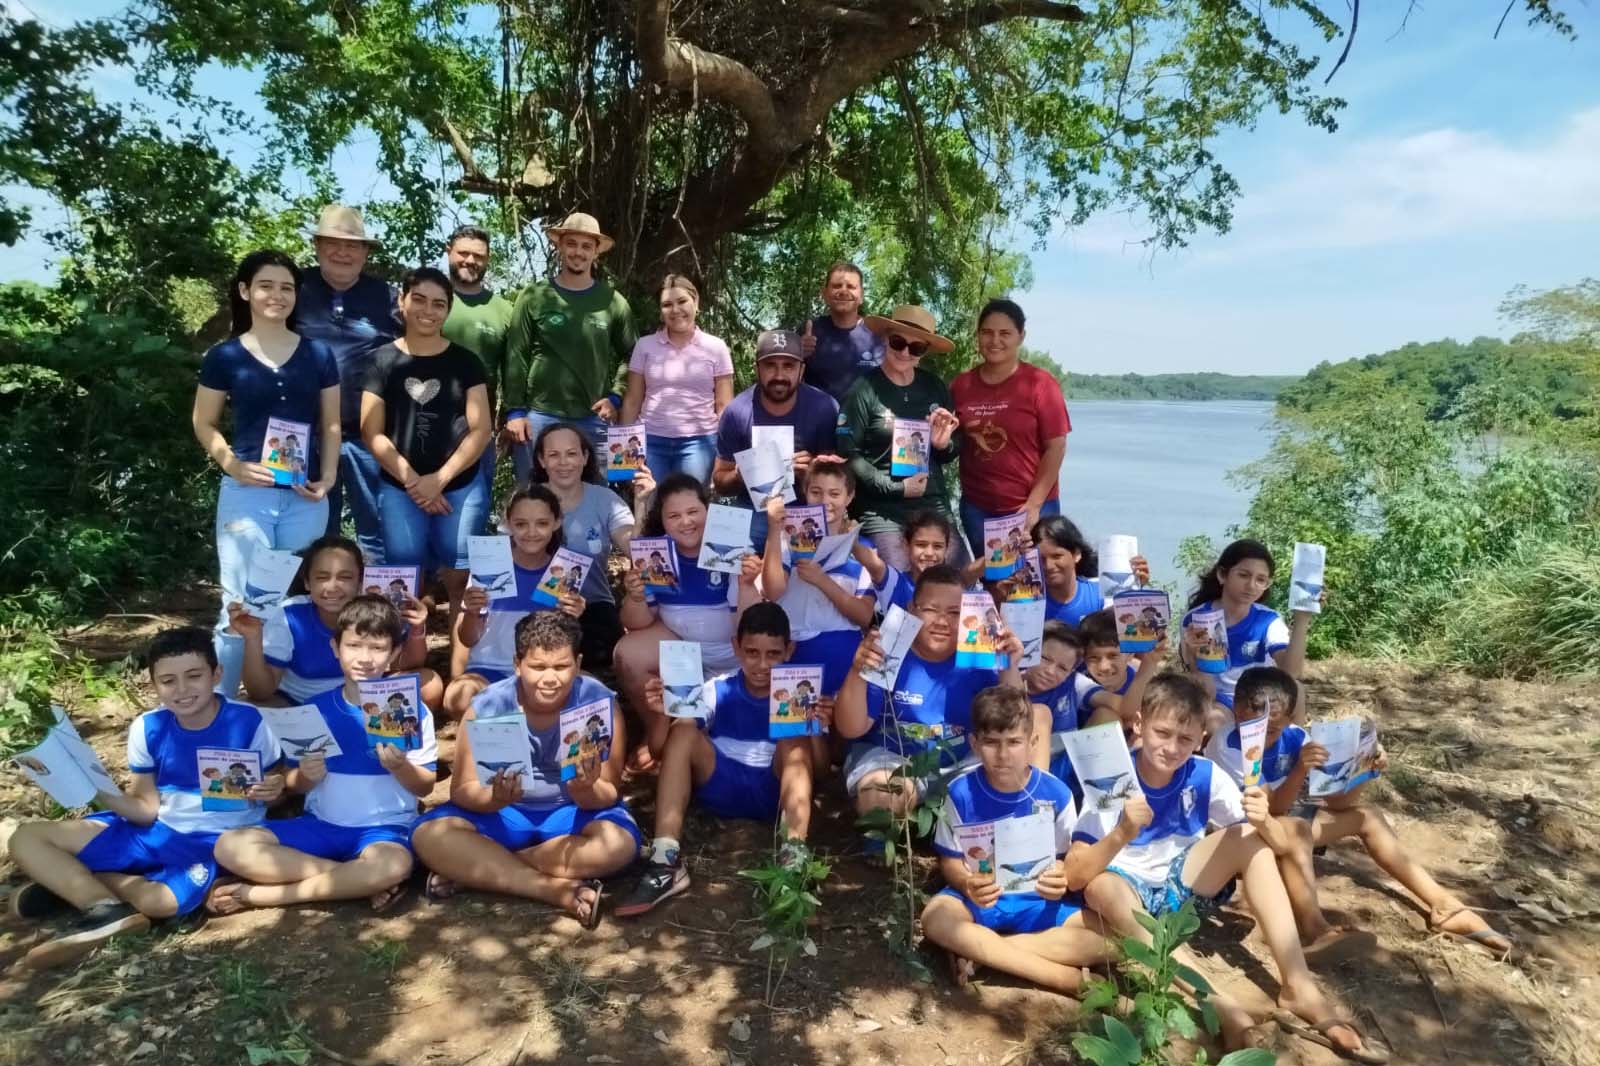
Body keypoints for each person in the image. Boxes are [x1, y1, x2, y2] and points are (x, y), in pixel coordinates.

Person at [1064, 671, 1387, 1063]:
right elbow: (1075, 876)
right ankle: (1224, 1006)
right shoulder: (1112, 777)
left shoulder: (1204, 775)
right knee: (1100, 887)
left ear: (1201, 737)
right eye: (1162, 733)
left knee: (1250, 837)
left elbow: (1276, 845)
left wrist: (1264, 821)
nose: (1171, 748)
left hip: (1180, 890)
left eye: (1185, 739)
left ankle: (1299, 986)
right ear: (1139, 725)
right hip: (1126, 893)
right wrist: (1122, 832)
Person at [8, 628, 284, 969]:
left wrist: (275, 788)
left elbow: (276, 784)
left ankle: (83, 885)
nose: (182, 690)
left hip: (217, 839)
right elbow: (145, 809)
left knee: (161, 903)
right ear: (154, 685)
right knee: (27, 837)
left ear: (216, 674)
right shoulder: (147, 727)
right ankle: (104, 908)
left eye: (194, 676)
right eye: (168, 681)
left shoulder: (247, 720)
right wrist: (94, 787)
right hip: (157, 829)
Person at [1210, 666, 1512, 962]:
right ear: (1236, 711)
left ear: (1290, 718)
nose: (1261, 736)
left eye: (1272, 730)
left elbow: (1338, 802)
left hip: (1283, 823)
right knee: (1297, 828)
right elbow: (1272, 810)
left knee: (1367, 817)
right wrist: (1301, 768)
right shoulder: (1228, 747)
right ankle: (1315, 930)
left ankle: (1444, 905)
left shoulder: (1296, 738)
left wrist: (1365, 770)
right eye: (1251, 726)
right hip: (1242, 835)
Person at [208, 596, 436, 916]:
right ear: (335, 648)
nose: (364, 658)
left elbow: (426, 786)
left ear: (395, 653)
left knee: (393, 864)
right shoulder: (314, 708)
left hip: (385, 830)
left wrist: (400, 768)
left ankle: (263, 896)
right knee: (228, 846)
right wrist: (304, 776)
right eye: (353, 645)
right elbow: (292, 782)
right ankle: (353, 880)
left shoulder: (414, 710)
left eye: (377, 648)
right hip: (320, 826)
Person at [410, 612, 639, 927]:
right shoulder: (488, 705)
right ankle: (550, 890)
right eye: (538, 667)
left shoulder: (597, 702)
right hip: (504, 814)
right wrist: (494, 798)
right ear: (518, 664)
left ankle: (481, 869)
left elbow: (610, 791)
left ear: (578, 663)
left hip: (572, 814)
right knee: (428, 835)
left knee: (618, 845)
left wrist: (585, 788)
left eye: (561, 667)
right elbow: (462, 791)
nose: (550, 679)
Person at [616, 603, 833, 917]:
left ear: (789, 651)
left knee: (794, 735)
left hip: (774, 792)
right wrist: (662, 714)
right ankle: (665, 860)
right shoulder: (717, 688)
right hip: (720, 782)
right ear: (736, 648)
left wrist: (815, 731)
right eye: (752, 652)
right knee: (684, 728)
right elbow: (663, 750)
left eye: (773, 654)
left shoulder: (802, 692)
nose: (761, 665)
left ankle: (793, 863)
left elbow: (822, 773)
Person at [193, 249, 342, 697]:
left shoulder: (318, 354)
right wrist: (232, 464)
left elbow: (331, 424)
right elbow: (204, 421)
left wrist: (328, 477)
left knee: (293, 599)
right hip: (247, 495)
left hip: (304, 495)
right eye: (266, 286)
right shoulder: (225, 356)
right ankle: (221, 707)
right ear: (245, 291)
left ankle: (285, 695)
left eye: (286, 287)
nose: (277, 295)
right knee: (239, 602)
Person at [920, 686, 1109, 992]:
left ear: (1032, 743)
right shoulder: (960, 792)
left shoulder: (1057, 793)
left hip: (1038, 902)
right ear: (975, 743)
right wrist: (967, 884)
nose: (1003, 754)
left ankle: (987, 952)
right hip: (982, 899)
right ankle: (1063, 978)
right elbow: (950, 860)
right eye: (991, 743)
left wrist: (1060, 876)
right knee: (935, 919)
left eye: (1014, 742)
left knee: (1110, 939)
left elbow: (1065, 860)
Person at [614, 475, 784, 763]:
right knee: (627, 654)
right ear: (662, 520)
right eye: (674, 516)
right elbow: (637, 623)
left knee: (723, 734)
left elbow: (749, 628)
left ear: (709, 511)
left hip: (734, 655)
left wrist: (745, 584)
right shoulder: (656, 554)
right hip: (684, 656)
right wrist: (636, 597)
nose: (685, 522)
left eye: (693, 512)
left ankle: (700, 727)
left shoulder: (731, 545)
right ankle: (656, 729)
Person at [834, 566, 1026, 820]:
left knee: (1013, 762)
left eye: (954, 612)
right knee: (882, 793)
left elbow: (1015, 723)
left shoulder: (981, 654)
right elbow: (851, 728)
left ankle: (1021, 828)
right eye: (931, 610)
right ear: (912, 609)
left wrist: (1010, 666)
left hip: (961, 764)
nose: (942, 622)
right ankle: (884, 834)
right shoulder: (888, 648)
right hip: (891, 759)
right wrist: (858, 670)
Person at [361, 266, 492, 614]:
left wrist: (439, 480)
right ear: (401, 302)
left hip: (460, 485)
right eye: (419, 299)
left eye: (438, 304)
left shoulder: (466, 362)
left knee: (460, 577)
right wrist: (415, 482)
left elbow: (481, 429)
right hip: (399, 486)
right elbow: (371, 431)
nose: (428, 310)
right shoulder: (381, 361)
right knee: (403, 577)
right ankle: (406, 645)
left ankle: (460, 649)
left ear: (447, 310)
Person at [295, 204, 399, 563]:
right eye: (332, 243)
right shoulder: (294, 288)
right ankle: (314, 595)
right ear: (317, 246)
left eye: (352, 245)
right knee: (311, 528)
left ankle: (377, 596)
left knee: (376, 529)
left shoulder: (386, 296)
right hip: (304, 435)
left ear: (365, 252)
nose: (342, 252)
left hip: (366, 434)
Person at [503, 212, 636, 480]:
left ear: (596, 252)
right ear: (559, 246)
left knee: (601, 495)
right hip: (539, 417)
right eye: (571, 243)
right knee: (533, 497)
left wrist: (616, 397)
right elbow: (516, 354)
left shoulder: (613, 301)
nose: (578, 252)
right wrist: (515, 411)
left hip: (595, 419)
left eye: (586, 246)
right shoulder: (534, 296)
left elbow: (634, 355)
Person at [231, 535, 436, 708]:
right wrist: (253, 638)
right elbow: (260, 692)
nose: (333, 587)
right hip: (301, 705)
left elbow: (405, 665)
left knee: (430, 684)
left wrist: (417, 629)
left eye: (345, 577)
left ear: (360, 582)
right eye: (322, 577)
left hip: (363, 698)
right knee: (247, 709)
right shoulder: (289, 615)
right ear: (307, 582)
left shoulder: (374, 610)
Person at [837, 304, 964, 571]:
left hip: (932, 503)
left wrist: (943, 444)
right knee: (899, 576)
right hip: (882, 508)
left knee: (956, 575)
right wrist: (895, 487)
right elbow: (848, 453)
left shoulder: (935, 387)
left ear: (925, 352)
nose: (905, 352)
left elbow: (953, 448)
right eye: (898, 342)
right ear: (886, 338)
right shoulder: (863, 390)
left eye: (916, 348)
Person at [444, 486, 590, 718]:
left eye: (542, 523)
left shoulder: (566, 571)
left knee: (593, 693)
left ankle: (526, 719)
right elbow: (467, 638)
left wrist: (574, 616)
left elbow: (564, 644)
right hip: (488, 670)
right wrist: (471, 612)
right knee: (460, 697)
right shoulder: (489, 566)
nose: (531, 532)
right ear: (508, 524)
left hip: (543, 672)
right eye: (521, 524)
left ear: (557, 523)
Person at [950, 300, 1070, 558]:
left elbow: (1056, 447)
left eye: (1005, 333)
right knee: (993, 578)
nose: (995, 341)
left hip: (1035, 507)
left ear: (1021, 336)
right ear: (978, 335)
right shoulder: (961, 385)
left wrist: (1033, 505)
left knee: (1036, 578)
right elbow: (949, 443)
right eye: (987, 332)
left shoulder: (1041, 384)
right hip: (978, 509)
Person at [523, 421, 643, 669]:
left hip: (594, 605)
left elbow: (635, 549)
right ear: (542, 461)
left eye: (571, 453)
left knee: (602, 656)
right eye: (554, 455)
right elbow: (508, 557)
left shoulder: (605, 499)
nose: (563, 462)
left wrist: (642, 502)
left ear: (585, 457)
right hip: (535, 604)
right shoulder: (526, 501)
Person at [712, 329, 840, 544]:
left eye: (788, 366)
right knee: (721, 545)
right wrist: (738, 475)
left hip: (806, 508)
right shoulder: (737, 411)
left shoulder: (825, 407)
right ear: (757, 369)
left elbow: (839, 478)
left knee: (813, 558)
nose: (779, 375)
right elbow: (719, 481)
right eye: (770, 365)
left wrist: (813, 471)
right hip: (750, 506)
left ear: (801, 370)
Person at [764, 460, 876, 694]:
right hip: (795, 658)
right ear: (805, 493)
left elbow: (865, 617)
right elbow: (773, 592)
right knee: (798, 718)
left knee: (842, 718)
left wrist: (821, 581)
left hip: (843, 658)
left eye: (834, 494)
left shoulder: (862, 548)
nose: (825, 501)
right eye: (816, 492)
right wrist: (774, 530)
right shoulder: (786, 539)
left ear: (849, 497)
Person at [619, 274, 734, 484]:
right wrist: (623, 463)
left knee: (691, 503)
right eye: (667, 305)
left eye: (682, 301)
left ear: (695, 302)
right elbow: (632, 401)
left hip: (699, 444)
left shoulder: (716, 347)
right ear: (660, 311)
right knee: (647, 502)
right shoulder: (644, 346)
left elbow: (724, 406)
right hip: (649, 442)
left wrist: (726, 456)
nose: (675, 310)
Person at [1178, 539, 1312, 707]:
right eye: (1243, 575)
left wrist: (1302, 620)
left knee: (1297, 690)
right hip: (1218, 699)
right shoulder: (1196, 619)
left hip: (1261, 698)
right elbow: (1205, 693)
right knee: (1215, 717)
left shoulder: (1268, 619)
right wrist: (1195, 657)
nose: (1251, 586)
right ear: (1222, 575)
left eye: (1261, 580)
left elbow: (1291, 672)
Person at [440, 224, 516, 504]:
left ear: (487, 259)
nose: (470, 260)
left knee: (474, 506)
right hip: (423, 421)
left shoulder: (504, 310)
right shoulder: (427, 301)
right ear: (449, 251)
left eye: (478, 256)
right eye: (463, 253)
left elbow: (513, 370)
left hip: (478, 427)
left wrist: (509, 417)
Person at [796, 261, 884, 401]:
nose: (844, 291)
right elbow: (788, 383)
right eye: (837, 286)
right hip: (818, 414)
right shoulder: (809, 331)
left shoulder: (878, 334)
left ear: (861, 296)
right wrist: (797, 354)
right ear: (824, 294)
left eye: (851, 287)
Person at [1033, 516, 1106, 626]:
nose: (1048, 566)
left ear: (1076, 554)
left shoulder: (1100, 596)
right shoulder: (1028, 603)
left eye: (1056, 556)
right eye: (1041, 558)